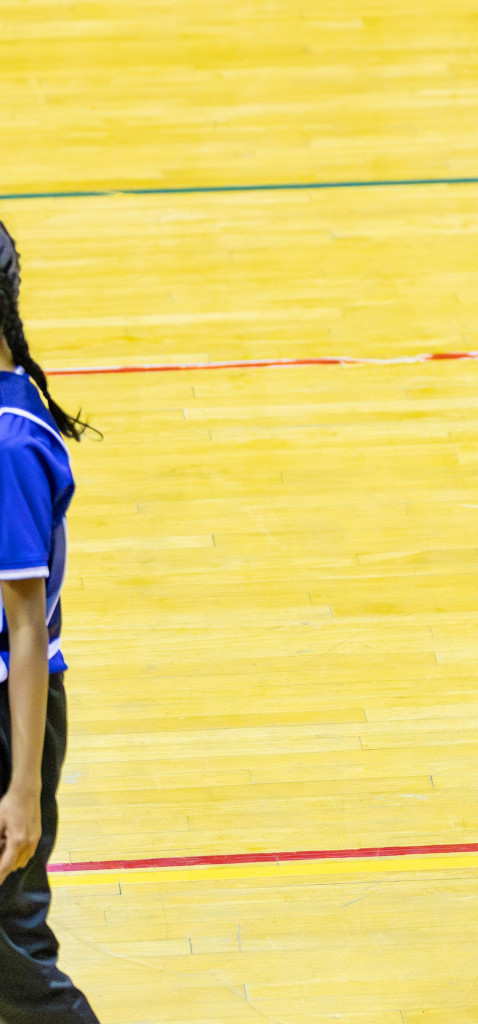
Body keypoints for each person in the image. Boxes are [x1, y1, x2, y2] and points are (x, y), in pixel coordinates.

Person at [0, 221, 101, 1023]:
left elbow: (27, 630)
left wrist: (23, 791)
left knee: (12, 952)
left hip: (11, 721)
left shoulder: (6, 443)